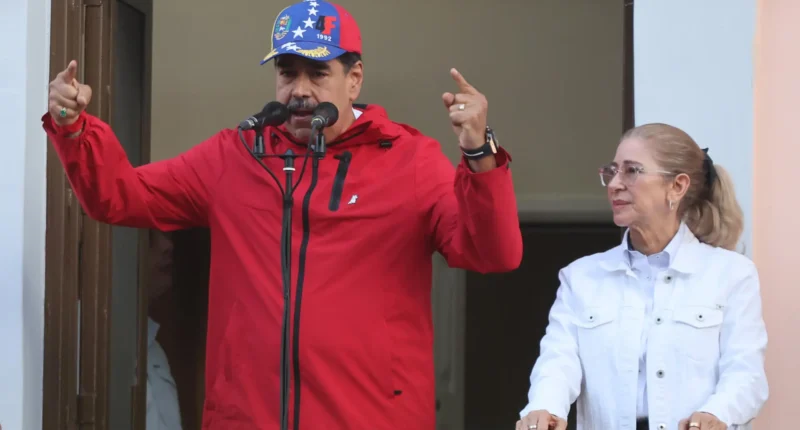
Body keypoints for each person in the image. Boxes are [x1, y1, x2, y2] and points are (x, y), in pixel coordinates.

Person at [43, 0, 523, 428]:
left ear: (354, 79)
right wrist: (73, 126)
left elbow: (492, 253)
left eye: (318, 74)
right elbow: (118, 195)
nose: (300, 90)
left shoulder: (408, 160)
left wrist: (479, 153)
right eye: (287, 73)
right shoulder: (234, 155)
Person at [516, 124, 768, 430]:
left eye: (632, 171)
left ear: (677, 186)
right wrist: (544, 408)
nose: (614, 184)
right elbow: (557, 362)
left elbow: (745, 373)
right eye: (612, 171)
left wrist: (716, 414)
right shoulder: (580, 277)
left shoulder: (731, 274)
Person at [145, 230, 182, 430]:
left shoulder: (154, 350)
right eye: (149, 234)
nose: (167, 246)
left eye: (166, 234)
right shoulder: (88, 350)